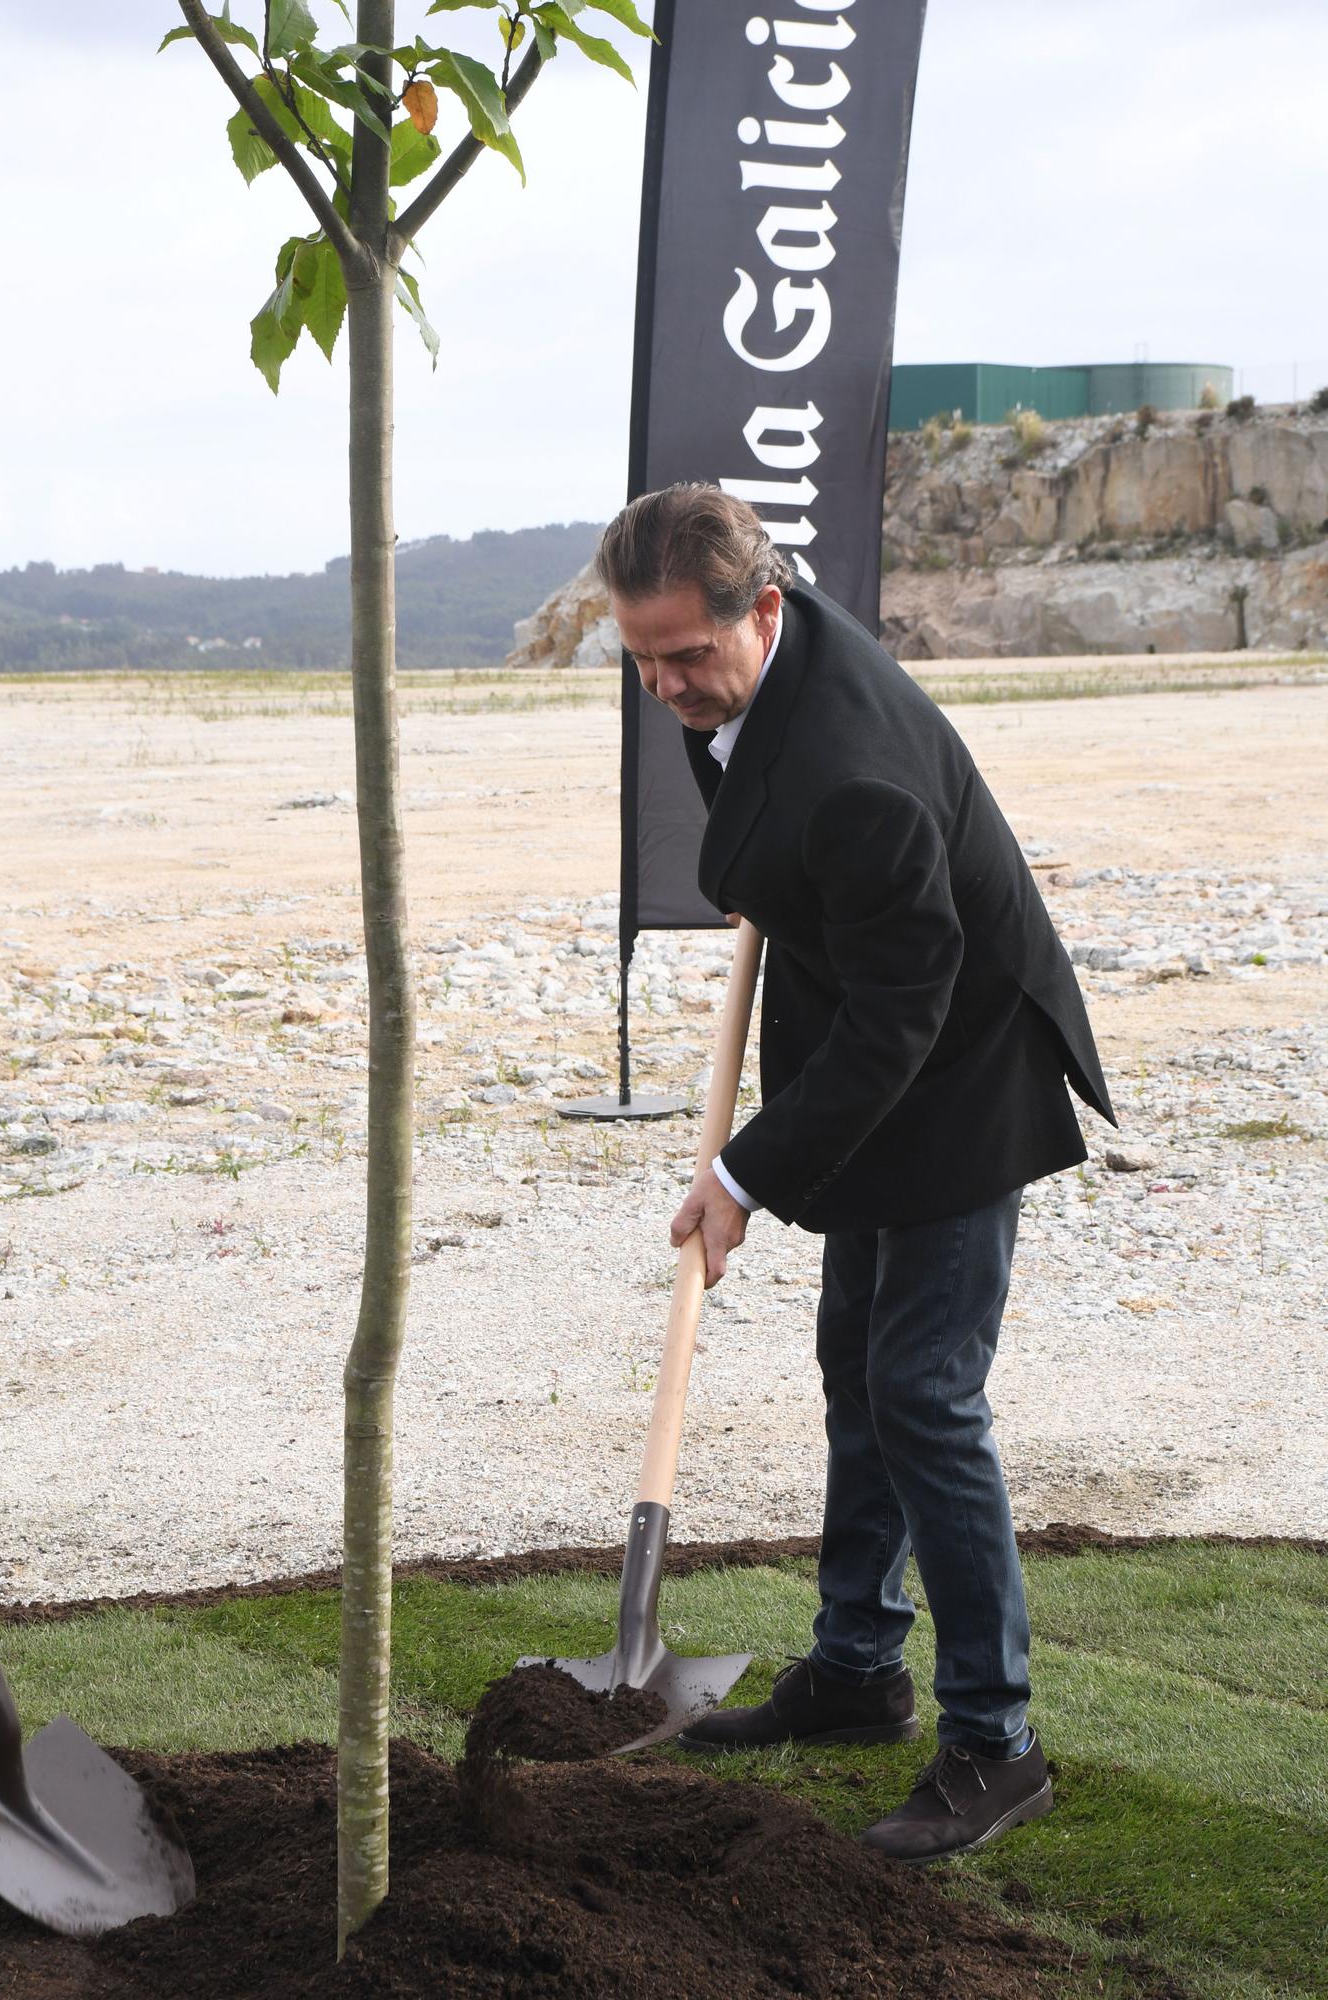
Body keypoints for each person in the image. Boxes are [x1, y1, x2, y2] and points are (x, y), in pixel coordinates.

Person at [595, 483, 1116, 1863]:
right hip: (878, 1049)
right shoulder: (756, 655)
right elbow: (771, 816)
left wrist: (741, 1175)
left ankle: (993, 1744)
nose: (662, 686)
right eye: (638, 658)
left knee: (923, 1398)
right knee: (855, 1370)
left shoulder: (854, 777)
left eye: (686, 658)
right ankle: (855, 1671)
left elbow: (905, 1014)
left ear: (761, 611)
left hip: (958, 1082)